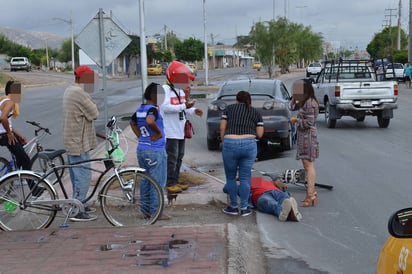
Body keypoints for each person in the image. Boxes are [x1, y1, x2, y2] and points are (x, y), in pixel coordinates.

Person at [160, 61, 203, 197]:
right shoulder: (164, 90)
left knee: (179, 157)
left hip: (180, 130)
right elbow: (165, 108)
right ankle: (169, 183)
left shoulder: (180, 91)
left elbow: (184, 109)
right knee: (171, 158)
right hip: (169, 131)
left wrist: (194, 110)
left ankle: (175, 181)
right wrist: (184, 107)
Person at [63, 65, 99, 222]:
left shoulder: (70, 89)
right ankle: (77, 210)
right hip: (78, 141)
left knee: (76, 175)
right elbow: (94, 113)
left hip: (73, 139)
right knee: (83, 176)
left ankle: (79, 203)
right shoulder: (79, 93)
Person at [220, 90, 264, 217]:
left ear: (236, 99)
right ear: (249, 100)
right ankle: (244, 208)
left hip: (230, 143)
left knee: (230, 177)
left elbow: (222, 128)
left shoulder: (229, 109)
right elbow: (260, 134)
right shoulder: (255, 112)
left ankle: (233, 207)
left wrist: (224, 141)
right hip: (249, 144)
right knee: (245, 177)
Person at [130, 82, 169, 220]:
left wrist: (140, 136)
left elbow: (132, 122)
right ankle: (156, 212)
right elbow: (150, 121)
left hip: (142, 149)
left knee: (146, 181)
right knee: (157, 182)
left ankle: (145, 210)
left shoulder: (141, 108)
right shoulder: (153, 109)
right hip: (155, 150)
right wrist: (158, 133)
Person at [0, 81, 44, 195]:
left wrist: (19, 135)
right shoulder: (9, 102)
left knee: (20, 153)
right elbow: (3, 118)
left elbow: (7, 123)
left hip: (3, 134)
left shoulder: (3, 100)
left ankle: (17, 173)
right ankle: (33, 189)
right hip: (5, 136)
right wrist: (10, 134)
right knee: (25, 160)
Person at [290, 79, 319, 207]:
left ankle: (311, 194)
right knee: (307, 166)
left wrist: (296, 120)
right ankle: (311, 193)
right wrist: (294, 98)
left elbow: (309, 122)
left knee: (309, 166)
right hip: (303, 137)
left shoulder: (310, 103)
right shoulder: (303, 102)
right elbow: (291, 107)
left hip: (308, 137)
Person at [223, 176, 302, 221]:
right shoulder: (244, 186)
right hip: (260, 196)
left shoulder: (259, 180)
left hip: (276, 191)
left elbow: (279, 183)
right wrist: (235, 178)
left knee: (285, 198)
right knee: (271, 203)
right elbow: (226, 188)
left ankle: (290, 210)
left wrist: (280, 184)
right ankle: (283, 212)